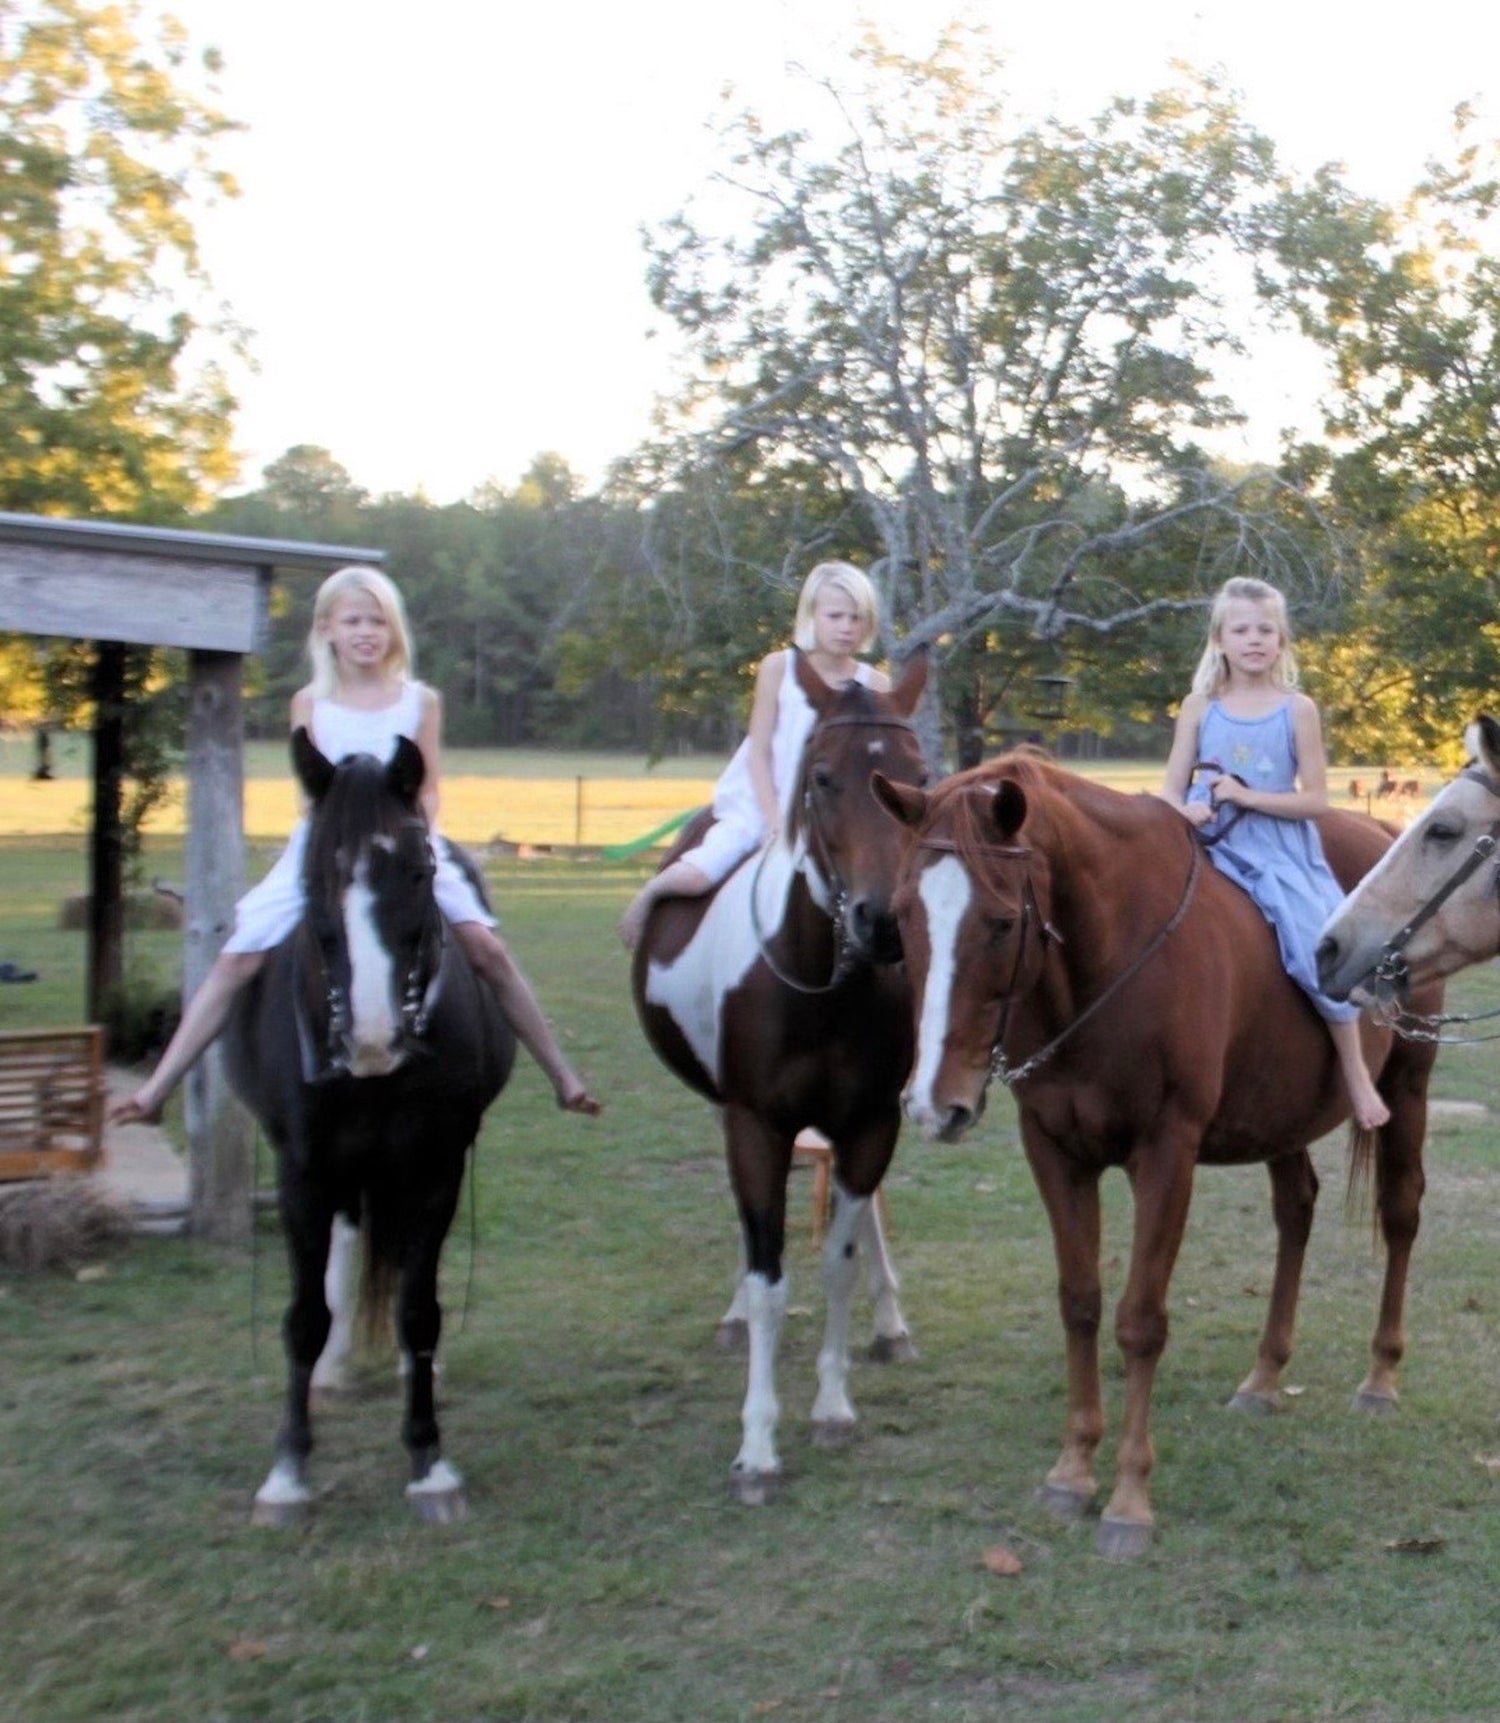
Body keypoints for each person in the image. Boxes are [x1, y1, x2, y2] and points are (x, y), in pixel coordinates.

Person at [110, 565, 600, 1125]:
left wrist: (408, 835)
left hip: (404, 843)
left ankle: (562, 1076)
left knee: (487, 950)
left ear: (393, 632)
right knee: (237, 958)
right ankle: (156, 1091)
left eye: (378, 621)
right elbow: (311, 793)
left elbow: (429, 787)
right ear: (326, 630)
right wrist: (342, 835)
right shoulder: (310, 704)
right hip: (325, 847)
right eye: (353, 621)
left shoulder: (419, 701)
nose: (366, 632)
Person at [1160, 575, 1390, 1131]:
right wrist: (1184, 809)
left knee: (1318, 947)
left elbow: (1314, 800)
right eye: (1241, 629)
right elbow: (1171, 786)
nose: (1254, 639)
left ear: (1282, 642)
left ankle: (1357, 1075)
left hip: (1277, 849)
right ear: (1219, 639)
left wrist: (1245, 794)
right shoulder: (1199, 705)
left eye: (1266, 630)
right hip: (1206, 840)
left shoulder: (1297, 709)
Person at [618, 560, 890, 950]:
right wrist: (774, 820)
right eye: (835, 616)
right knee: (706, 869)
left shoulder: (874, 683)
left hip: (835, 811)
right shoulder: (780, 668)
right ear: (812, 615)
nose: (846, 627)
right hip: (762, 801)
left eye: (856, 618)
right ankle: (651, 896)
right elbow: (760, 750)